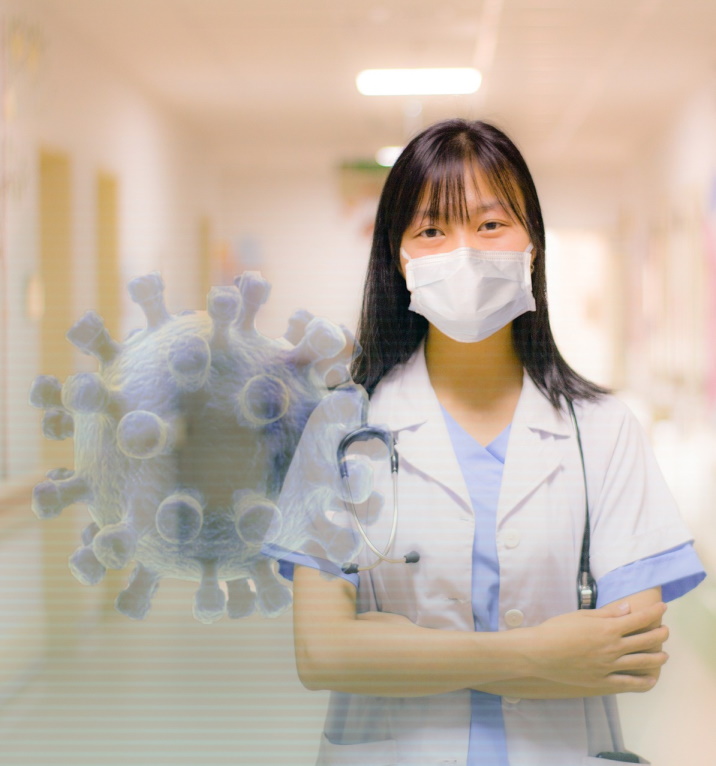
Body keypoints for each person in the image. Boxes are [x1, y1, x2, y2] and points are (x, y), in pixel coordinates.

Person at [285, 119, 706, 766]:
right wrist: (545, 653)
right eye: (431, 230)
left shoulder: (603, 430)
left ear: (531, 245)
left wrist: (397, 650)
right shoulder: (341, 432)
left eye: (489, 224)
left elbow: (632, 660)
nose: (465, 252)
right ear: (396, 258)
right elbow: (323, 654)